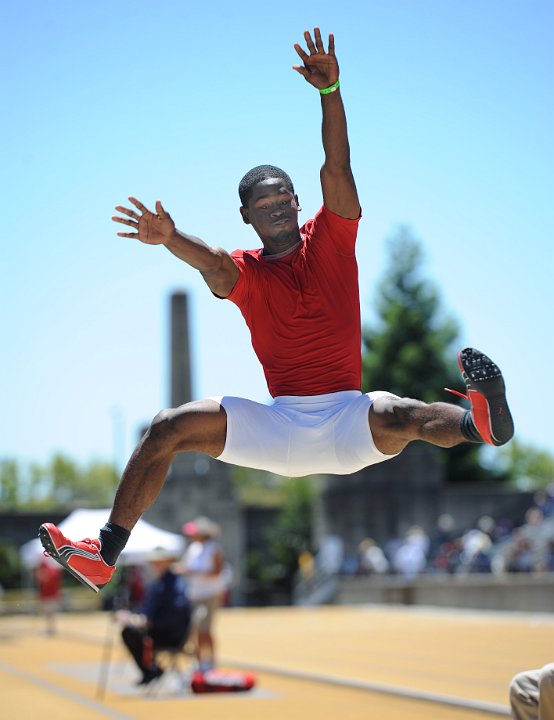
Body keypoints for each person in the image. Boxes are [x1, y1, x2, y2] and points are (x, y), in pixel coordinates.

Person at [38, 26, 514, 593]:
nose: (276, 210)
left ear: (296, 200)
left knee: (398, 413)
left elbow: (336, 169)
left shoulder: (332, 238)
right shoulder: (247, 271)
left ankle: (480, 424)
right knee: (166, 427)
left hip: (345, 418)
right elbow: (214, 264)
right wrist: (170, 238)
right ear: (248, 218)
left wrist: (330, 92)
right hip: (281, 425)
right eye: (262, 206)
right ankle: (103, 554)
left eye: (282, 198)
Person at [116, 546, 191, 686]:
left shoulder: (174, 584)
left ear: (168, 562)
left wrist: (145, 621)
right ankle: (150, 669)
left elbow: (174, 614)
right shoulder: (159, 582)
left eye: (158, 561)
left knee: (130, 633)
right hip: (159, 629)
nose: (154, 565)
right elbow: (148, 609)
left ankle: (151, 670)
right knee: (128, 631)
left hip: (170, 635)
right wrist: (133, 616)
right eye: (153, 562)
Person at [177, 516, 226, 672]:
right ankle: (199, 662)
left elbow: (217, 572)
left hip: (209, 594)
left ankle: (210, 661)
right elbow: (185, 567)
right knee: (194, 630)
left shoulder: (213, 548)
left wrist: (193, 572)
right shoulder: (193, 548)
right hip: (195, 595)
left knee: (205, 628)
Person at [34, 555, 62, 635]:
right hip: (49, 596)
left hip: (51, 596)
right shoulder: (50, 571)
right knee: (48, 613)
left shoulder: (50, 572)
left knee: (51, 613)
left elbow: (49, 581)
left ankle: (52, 629)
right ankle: (50, 628)